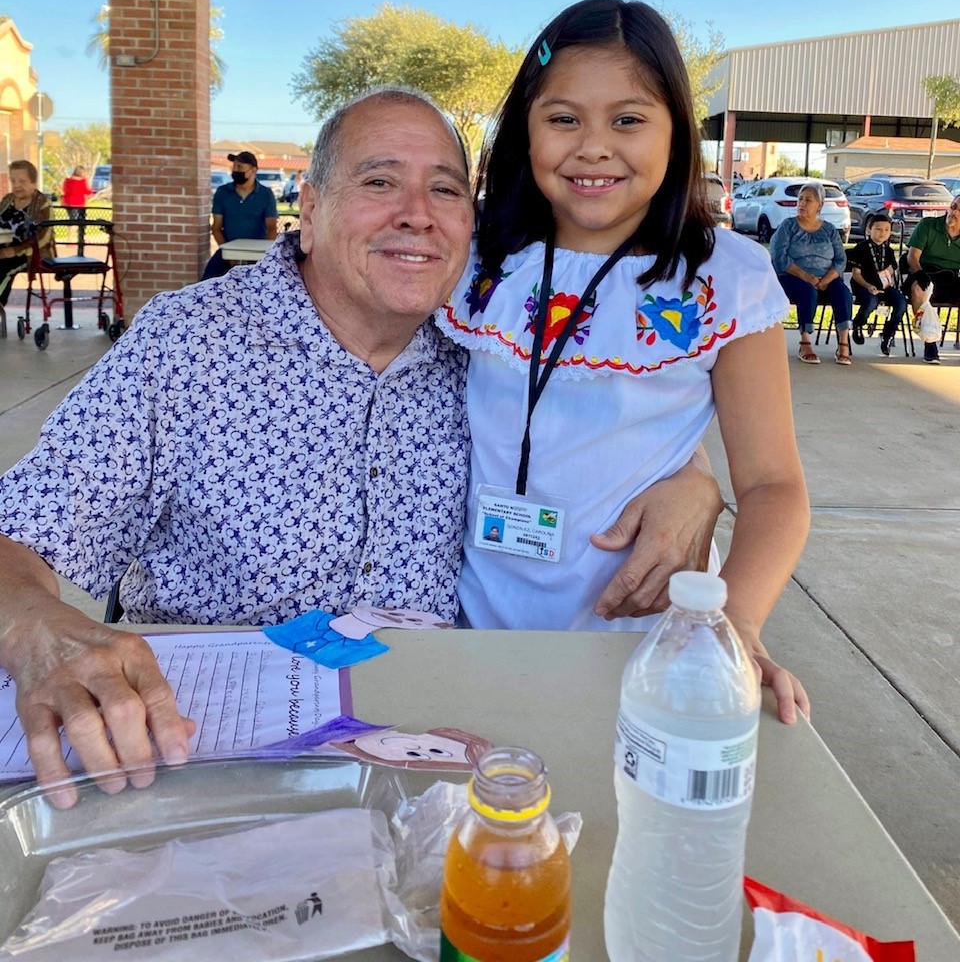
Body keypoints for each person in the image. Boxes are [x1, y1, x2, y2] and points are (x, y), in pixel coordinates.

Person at [0, 87, 720, 795]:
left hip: (444, 743)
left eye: (445, 191)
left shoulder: (493, 346)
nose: (417, 216)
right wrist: (36, 628)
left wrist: (693, 478)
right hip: (209, 749)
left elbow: (626, 414)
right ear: (310, 209)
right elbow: (20, 531)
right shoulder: (187, 343)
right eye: (379, 181)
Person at [437, 0, 809, 724]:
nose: (594, 147)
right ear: (526, 128)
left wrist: (739, 625)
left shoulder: (722, 279)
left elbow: (773, 485)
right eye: (563, 118)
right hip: (467, 633)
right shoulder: (476, 259)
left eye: (629, 119)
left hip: (640, 650)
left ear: (677, 129)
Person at [770, 182, 854, 365]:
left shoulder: (829, 230)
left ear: (820, 206)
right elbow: (779, 258)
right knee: (807, 290)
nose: (802, 203)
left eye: (808, 200)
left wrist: (827, 278)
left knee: (842, 291)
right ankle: (805, 342)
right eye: (800, 199)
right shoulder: (788, 226)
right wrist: (806, 276)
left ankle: (843, 343)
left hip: (826, 278)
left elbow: (841, 260)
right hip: (792, 277)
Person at [202, 149, 278, 279]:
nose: (235, 170)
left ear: (253, 170)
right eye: (234, 167)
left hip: (257, 254)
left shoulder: (266, 194)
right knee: (207, 281)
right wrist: (230, 254)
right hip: (227, 251)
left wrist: (262, 256)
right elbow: (216, 228)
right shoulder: (222, 192)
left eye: (240, 167)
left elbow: (272, 229)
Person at [904, 194, 960, 364]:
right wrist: (919, 274)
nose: (954, 212)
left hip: (949, 278)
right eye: (953, 206)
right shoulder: (928, 225)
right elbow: (912, 257)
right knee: (918, 289)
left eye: (959, 210)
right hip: (923, 273)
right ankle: (930, 344)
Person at [846, 213, 907, 357]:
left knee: (901, 303)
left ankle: (887, 334)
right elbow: (856, 274)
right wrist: (868, 286)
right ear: (869, 230)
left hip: (884, 286)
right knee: (872, 301)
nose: (882, 233)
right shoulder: (860, 248)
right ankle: (858, 324)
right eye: (878, 229)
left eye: (887, 230)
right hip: (863, 286)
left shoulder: (889, 251)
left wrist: (889, 276)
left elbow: (892, 271)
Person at [0, 161, 54, 308]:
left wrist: (15, 250)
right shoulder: (8, 200)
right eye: (13, 181)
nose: (16, 185)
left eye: (22, 181)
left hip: (31, 253)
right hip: (4, 250)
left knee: (4, 268)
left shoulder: (42, 204)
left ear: (34, 183)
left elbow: (42, 237)